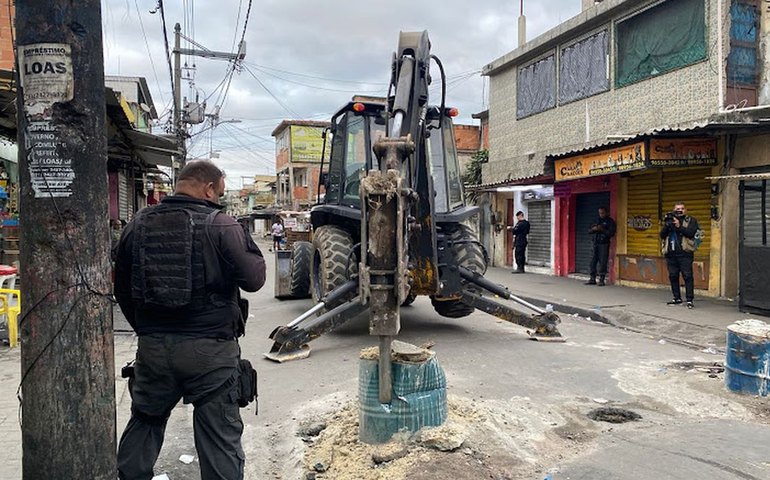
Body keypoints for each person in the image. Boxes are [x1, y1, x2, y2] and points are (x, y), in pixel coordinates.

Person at [114, 160, 266, 480]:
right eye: (220, 193)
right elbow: (254, 279)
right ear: (208, 189)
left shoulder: (137, 224)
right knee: (219, 439)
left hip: (154, 350)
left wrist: (147, 331)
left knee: (145, 423)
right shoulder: (220, 224)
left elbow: (122, 289)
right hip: (210, 354)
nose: (219, 199)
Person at [659, 201, 700, 309]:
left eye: (681, 208)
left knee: (687, 276)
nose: (679, 210)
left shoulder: (691, 220)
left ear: (685, 210)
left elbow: (690, 233)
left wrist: (678, 226)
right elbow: (662, 235)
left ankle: (689, 299)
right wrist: (667, 225)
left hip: (685, 254)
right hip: (671, 254)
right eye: (677, 209)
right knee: (673, 276)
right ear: (674, 210)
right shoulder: (670, 220)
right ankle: (676, 297)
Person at [585, 206, 616, 286]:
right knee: (592, 261)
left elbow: (611, 233)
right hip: (595, 243)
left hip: (604, 244)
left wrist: (603, 230)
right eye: (600, 213)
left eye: (602, 213)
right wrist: (594, 229)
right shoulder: (596, 220)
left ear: (606, 213)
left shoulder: (610, 221)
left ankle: (601, 279)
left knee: (603, 262)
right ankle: (592, 278)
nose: (601, 214)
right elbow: (589, 230)